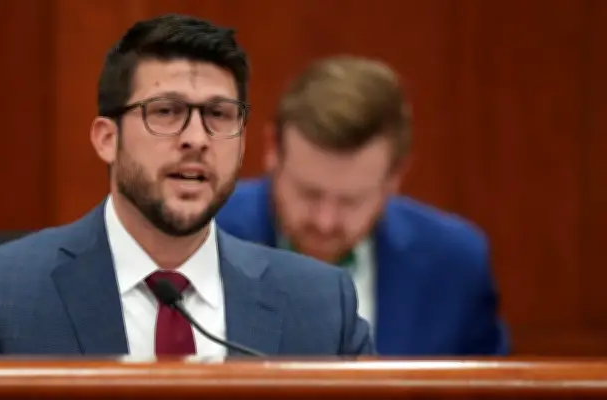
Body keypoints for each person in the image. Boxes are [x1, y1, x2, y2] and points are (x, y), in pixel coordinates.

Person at [0, 15, 372, 357]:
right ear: (107, 139)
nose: (196, 138)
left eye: (218, 115)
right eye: (166, 112)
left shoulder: (318, 304)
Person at [216, 56, 510, 356]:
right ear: (272, 150)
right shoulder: (203, 237)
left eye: (351, 201)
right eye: (308, 193)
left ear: (395, 177)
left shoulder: (454, 264)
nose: (325, 221)